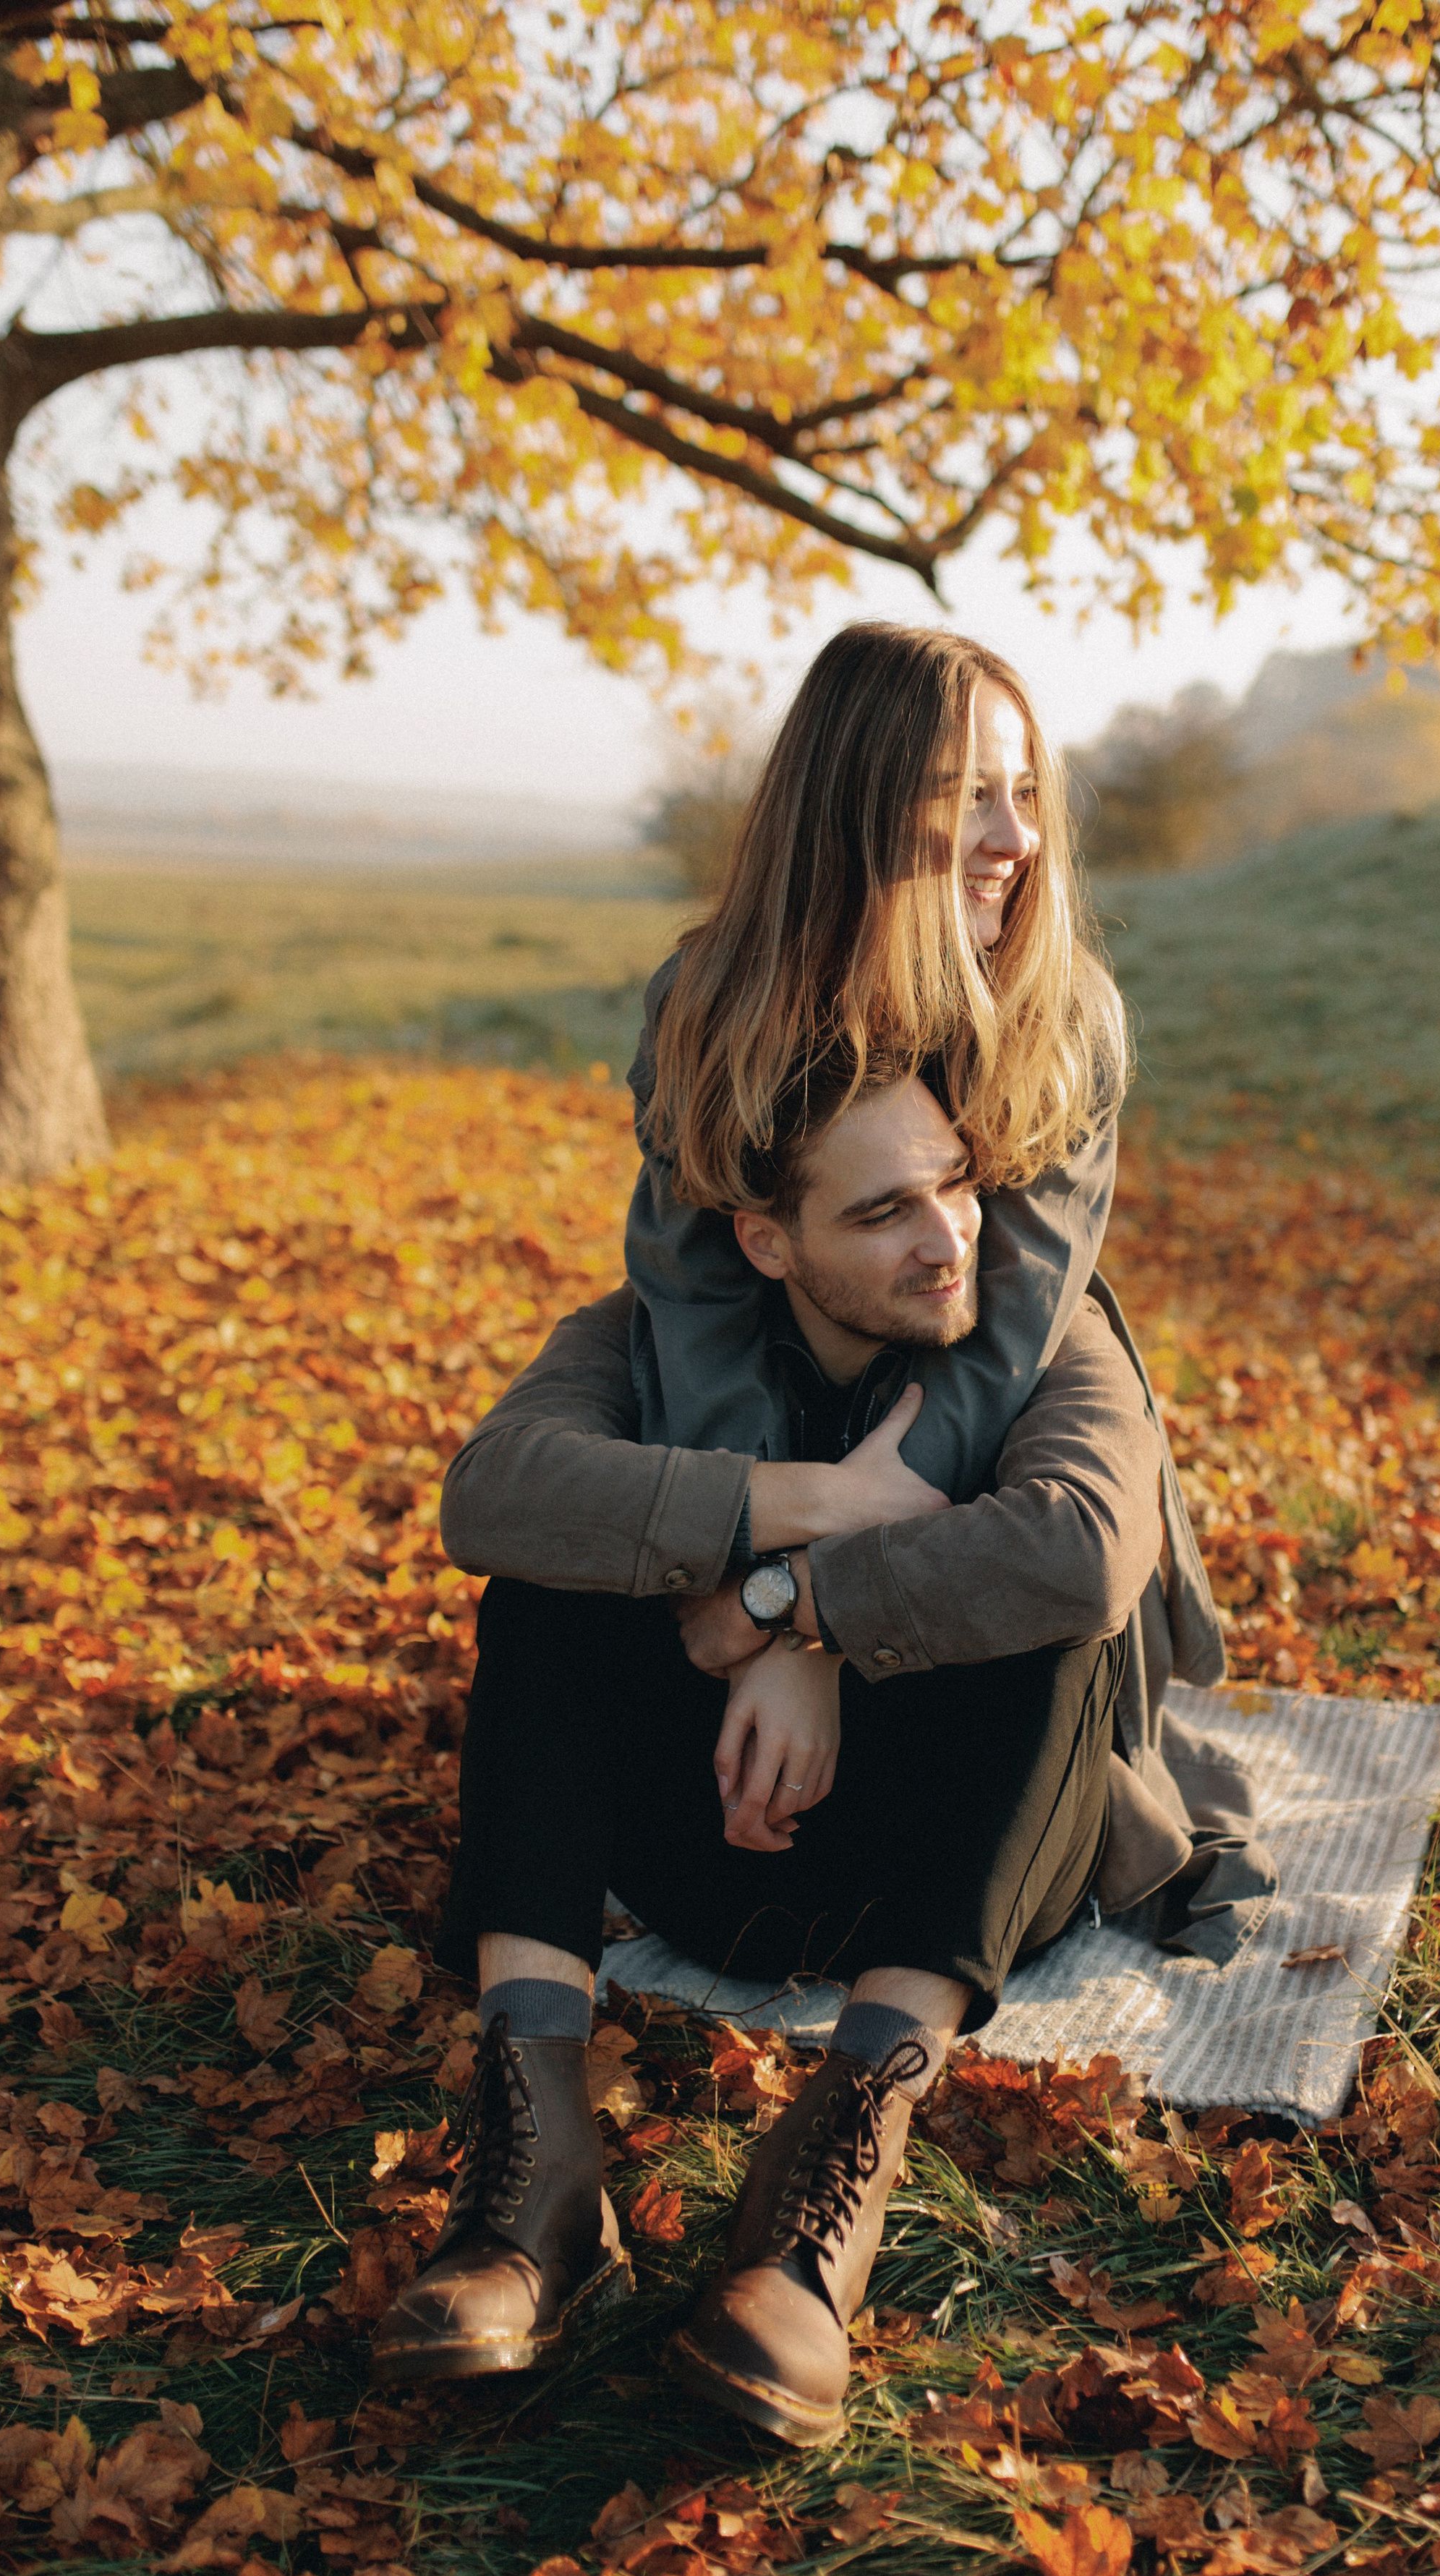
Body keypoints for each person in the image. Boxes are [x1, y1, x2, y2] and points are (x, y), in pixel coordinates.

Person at [372, 1061, 1256, 2447]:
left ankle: (833, 2177)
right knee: (548, 1585)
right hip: (718, 1845)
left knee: (1047, 1613)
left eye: (957, 1184)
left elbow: (1085, 1551)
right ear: (769, 1242)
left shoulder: (1047, 1337)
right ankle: (535, 2176)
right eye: (885, 1211)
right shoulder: (647, 1340)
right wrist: (812, 1502)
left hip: (952, 1867)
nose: (950, 1236)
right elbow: (491, 1491)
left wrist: (797, 1614)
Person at [626, 621, 1128, 1510]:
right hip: (754, 1463)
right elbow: (694, 1293)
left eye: (1024, 794)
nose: (1017, 839)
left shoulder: (1061, 1020)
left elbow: (1015, 1322)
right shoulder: (705, 1009)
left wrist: (841, 1562)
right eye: (969, 795)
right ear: (856, 807)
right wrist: (752, 1530)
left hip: (983, 1486)